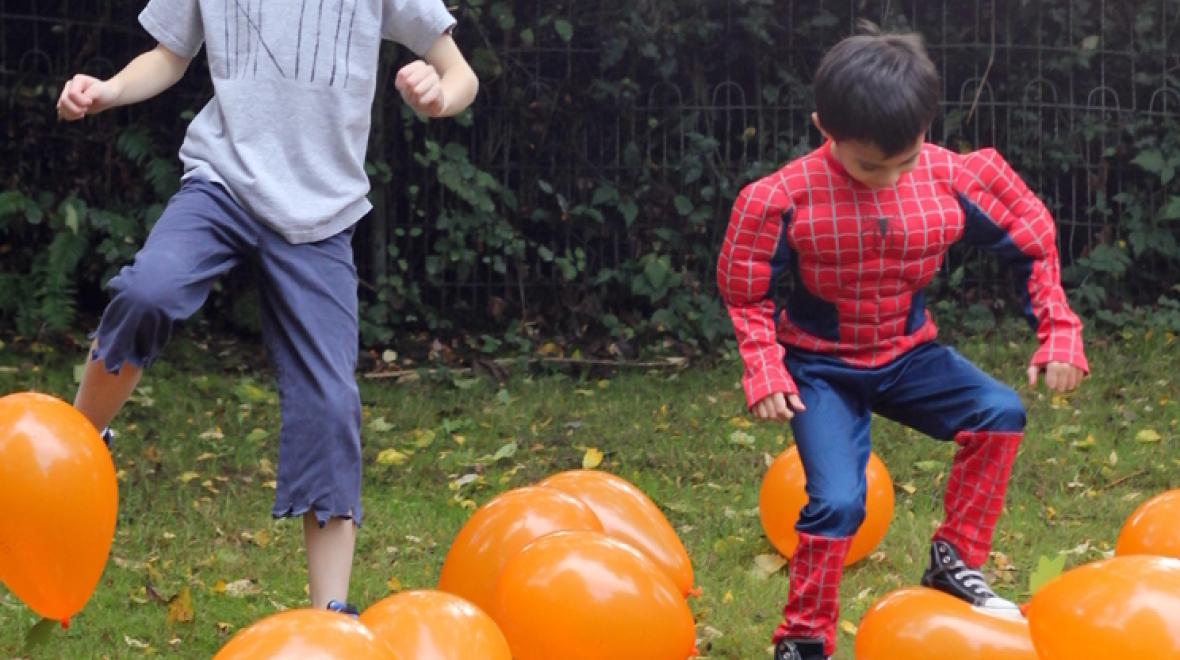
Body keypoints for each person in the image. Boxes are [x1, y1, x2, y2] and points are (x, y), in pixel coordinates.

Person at [56, 0, 478, 615]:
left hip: (321, 216)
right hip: (221, 184)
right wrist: (109, 90)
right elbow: (170, 56)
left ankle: (329, 618)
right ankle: (76, 443)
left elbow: (459, 70)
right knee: (148, 290)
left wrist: (439, 94)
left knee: (331, 404)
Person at [716, 24, 1088, 660]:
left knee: (1000, 413)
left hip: (909, 354)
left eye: (905, 160)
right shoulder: (780, 200)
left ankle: (955, 560)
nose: (888, 178)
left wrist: (1058, 329)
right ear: (823, 128)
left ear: (925, 128)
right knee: (837, 500)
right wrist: (766, 368)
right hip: (820, 369)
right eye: (868, 165)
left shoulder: (951, 178)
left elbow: (1032, 234)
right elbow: (745, 292)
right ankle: (803, 638)